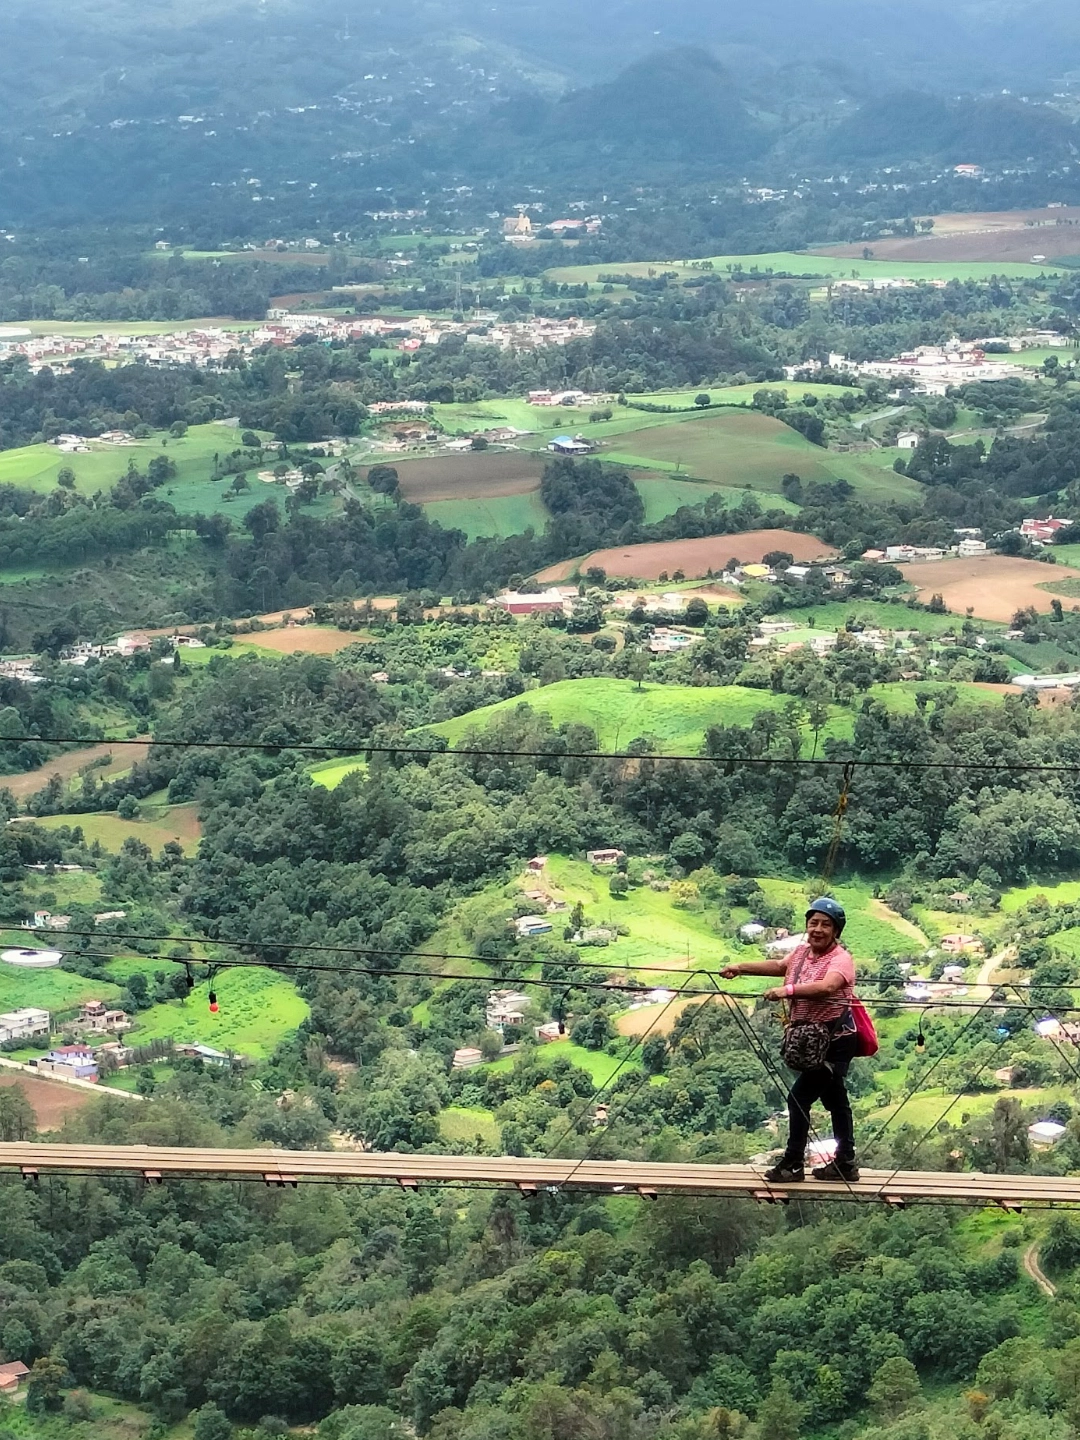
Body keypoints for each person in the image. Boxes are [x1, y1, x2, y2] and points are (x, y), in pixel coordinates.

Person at [721, 897, 860, 1182]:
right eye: (813, 923)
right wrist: (740, 967)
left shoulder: (841, 960)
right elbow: (778, 966)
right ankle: (845, 1162)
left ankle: (793, 1163)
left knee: (798, 1098)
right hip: (811, 1038)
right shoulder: (801, 954)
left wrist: (788, 992)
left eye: (825, 925)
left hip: (834, 1040)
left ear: (836, 931)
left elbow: (828, 986)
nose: (818, 929)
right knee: (836, 1100)